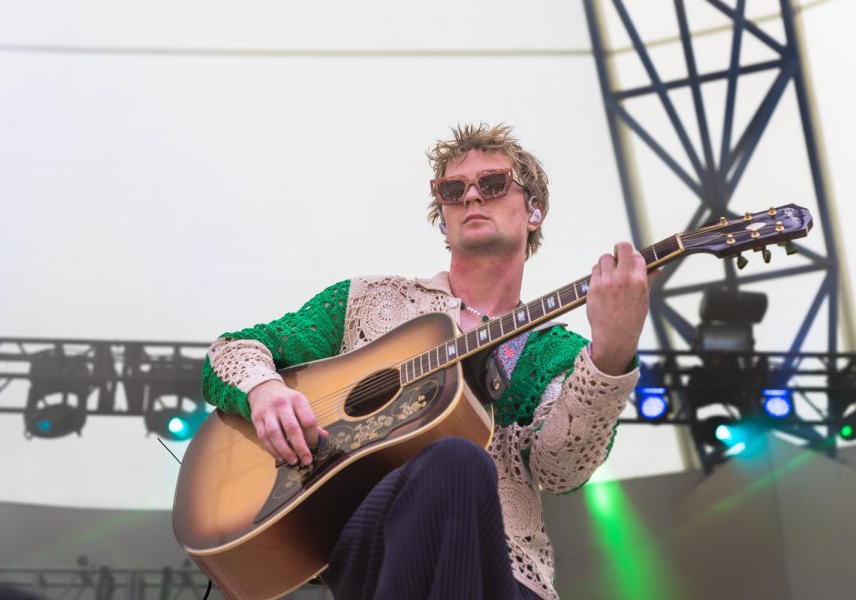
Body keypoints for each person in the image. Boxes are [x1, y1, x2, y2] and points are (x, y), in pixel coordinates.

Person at [202, 123, 652, 599]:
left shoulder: (552, 350)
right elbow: (231, 350)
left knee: (464, 466)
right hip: (378, 539)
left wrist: (610, 354)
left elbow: (561, 470)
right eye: (453, 190)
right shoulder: (368, 301)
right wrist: (264, 391)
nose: (472, 197)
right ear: (443, 217)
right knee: (458, 461)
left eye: (493, 184)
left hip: (504, 570)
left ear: (534, 211)